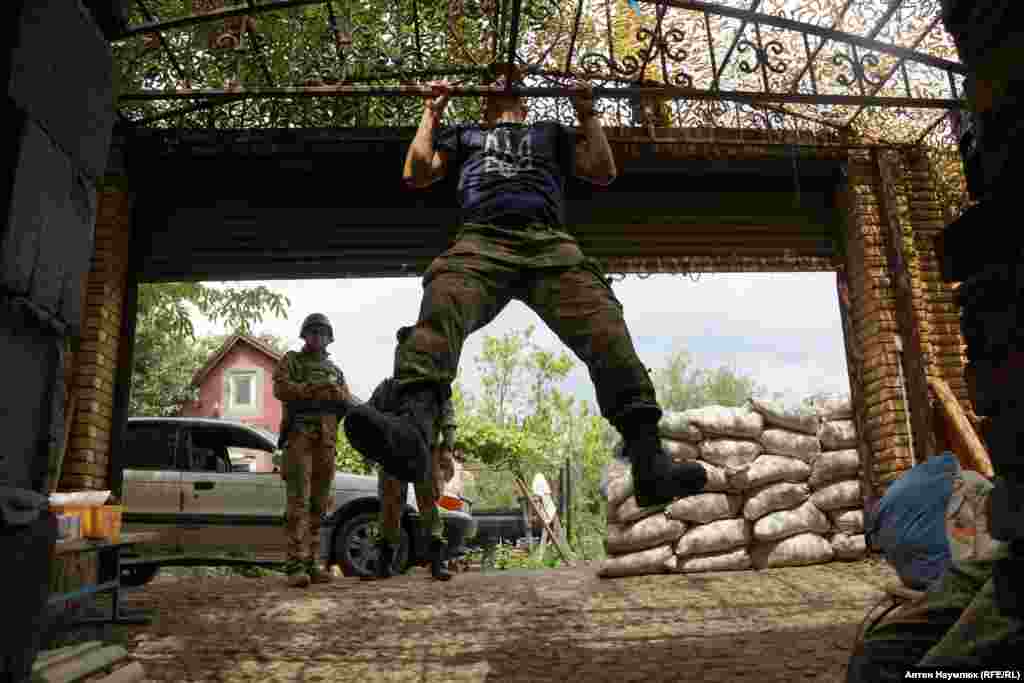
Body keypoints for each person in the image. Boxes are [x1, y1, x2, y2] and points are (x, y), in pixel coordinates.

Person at [343, 64, 707, 509]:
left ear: (524, 94)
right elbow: (416, 172)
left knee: (606, 327)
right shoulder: (466, 134)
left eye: (510, 75)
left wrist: (587, 112)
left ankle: (650, 462)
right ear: (484, 96)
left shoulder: (549, 133)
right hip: (481, 240)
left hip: (548, 241)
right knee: (441, 304)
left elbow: (602, 170)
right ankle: (413, 435)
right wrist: (431, 113)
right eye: (495, 77)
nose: (503, 81)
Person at [364, 326, 457, 582]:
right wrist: (370, 450)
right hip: (393, 455)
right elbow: (369, 418)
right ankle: (383, 562)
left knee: (429, 507)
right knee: (390, 508)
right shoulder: (389, 388)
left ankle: (437, 562)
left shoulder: (436, 387)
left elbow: (448, 418)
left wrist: (447, 450)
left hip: (425, 453)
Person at [272, 313, 353, 588]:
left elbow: (346, 401)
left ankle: (311, 563)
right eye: (313, 331)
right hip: (299, 437)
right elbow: (282, 389)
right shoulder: (291, 360)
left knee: (319, 503)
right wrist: (314, 389)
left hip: (327, 440)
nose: (318, 337)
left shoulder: (336, 370)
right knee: (298, 503)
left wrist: (334, 392)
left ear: (329, 338)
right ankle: (295, 565)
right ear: (305, 335)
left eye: (323, 332)